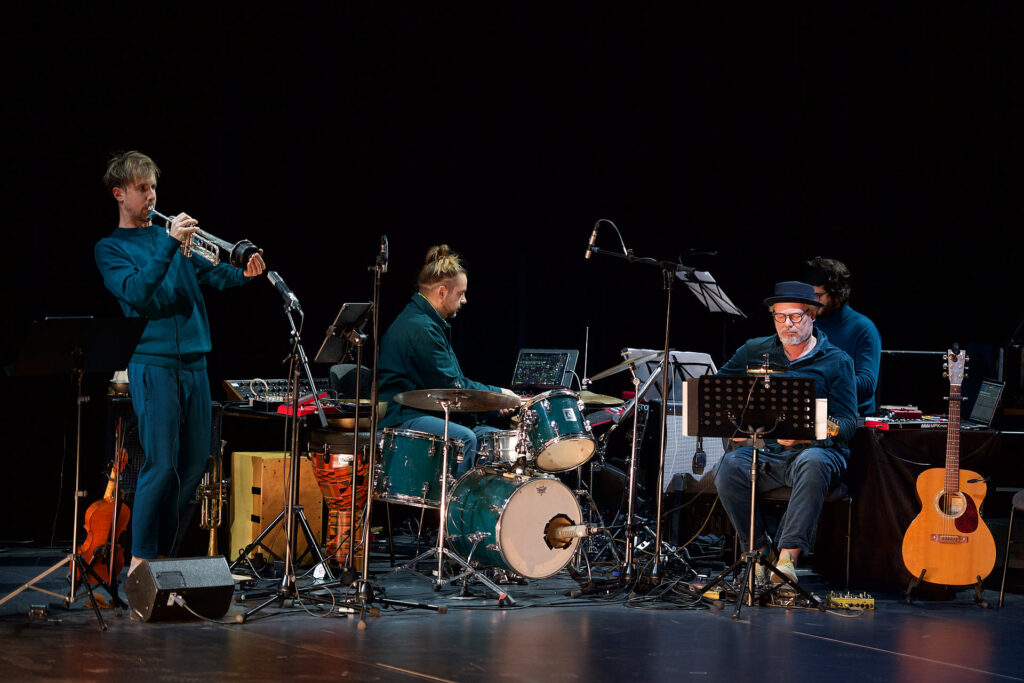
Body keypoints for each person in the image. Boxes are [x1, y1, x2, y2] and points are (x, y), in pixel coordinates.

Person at [94, 151, 265, 575]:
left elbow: (210, 276)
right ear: (119, 194)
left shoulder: (169, 238)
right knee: (160, 465)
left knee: (193, 465)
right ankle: (139, 559)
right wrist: (170, 243)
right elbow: (138, 292)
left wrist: (241, 273)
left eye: (154, 187)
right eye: (142, 189)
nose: (152, 195)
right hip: (153, 364)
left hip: (194, 362)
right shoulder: (111, 248)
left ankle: (163, 555)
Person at [714, 281, 857, 584]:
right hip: (766, 454)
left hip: (815, 453)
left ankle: (787, 559)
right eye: (780, 317)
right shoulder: (754, 350)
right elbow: (717, 391)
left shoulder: (837, 361)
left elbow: (847, 424)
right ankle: (759, 552)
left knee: (814, 462)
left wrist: (809, 432)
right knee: (729, 466)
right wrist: (734, 426)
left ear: (813, 315)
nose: (787, 324)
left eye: (795, 316)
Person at [377, 245, 517, 476]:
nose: (464, 300)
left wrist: (494, 403)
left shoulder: (423, 322)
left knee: (492, 438)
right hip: (403, 418)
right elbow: (453, 388)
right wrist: (499, 396)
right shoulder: (420, 328)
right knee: (467, 438)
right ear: (442, 292)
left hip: (421, 414)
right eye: (460, 294)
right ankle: (455, 509)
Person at [804, 257, 882, 416]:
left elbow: (867, 385)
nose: (811, 301)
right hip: (812, 415)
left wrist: (818, 381)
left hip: (852, 421)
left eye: (818, 295)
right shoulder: (806, 323)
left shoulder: (863, 328)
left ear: (837, 294)